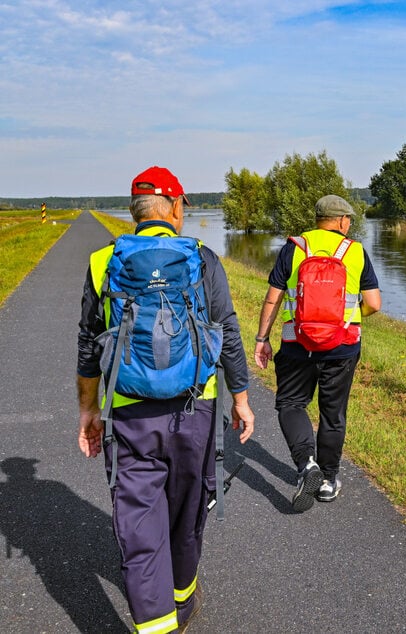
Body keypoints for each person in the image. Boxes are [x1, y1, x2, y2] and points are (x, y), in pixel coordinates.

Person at [76, 166, 255, 633]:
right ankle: (182, 599)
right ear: (175, 207)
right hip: (193, 408)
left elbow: (87, 343)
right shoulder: (203, 258)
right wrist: (240, 398)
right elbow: (228, 332)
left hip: (130, 414)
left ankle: (156, 623)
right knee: (186, 511)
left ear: (135, 212)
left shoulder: (103, 261)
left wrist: (88, 411)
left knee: (138, 525)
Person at [253, 194, 381, 512]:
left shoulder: (294, 247)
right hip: (342, 346)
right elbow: (375, 303)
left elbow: (273, 298)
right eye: (349, 218)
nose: (350, 223)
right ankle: (327, 481)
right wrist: (345, 317)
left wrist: (262, 338)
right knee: (332, 414)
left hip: (297, 343)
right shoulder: (355, 251)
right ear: (341, 221)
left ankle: (306, 464)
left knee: (291, 403)